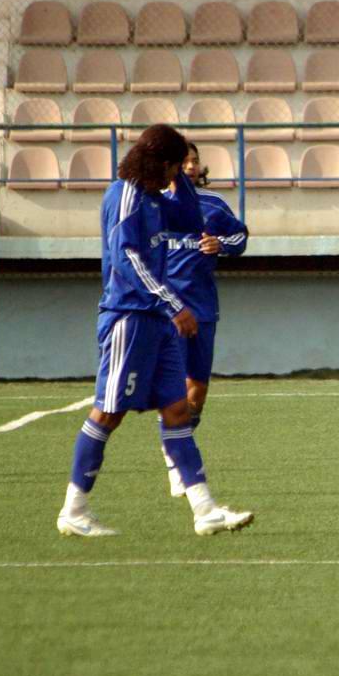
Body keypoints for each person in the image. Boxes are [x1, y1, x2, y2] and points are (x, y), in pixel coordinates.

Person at [56, 124, 254, 537]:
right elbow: (127, 257)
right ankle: (74, 510)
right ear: (157, 163)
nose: (178, 173)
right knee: (108, 413)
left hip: (156, 320)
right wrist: (173, 303)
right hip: (128, 317)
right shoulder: (125, 195)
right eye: (174, 166)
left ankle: (205, 510)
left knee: (178, 411)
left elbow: (190, 218)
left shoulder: (155, 198)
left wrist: (181, 177)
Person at [160, 142, 249, 497]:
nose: (190, 166)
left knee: (197, 390)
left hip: (203, 307)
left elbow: (240, 236)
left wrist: (220, 245)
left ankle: (177, 443)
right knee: (174, 387)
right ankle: (175, 461)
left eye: (194, 160)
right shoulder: (154, 204)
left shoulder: (213, 204)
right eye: (183, 161)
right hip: (167, 307)